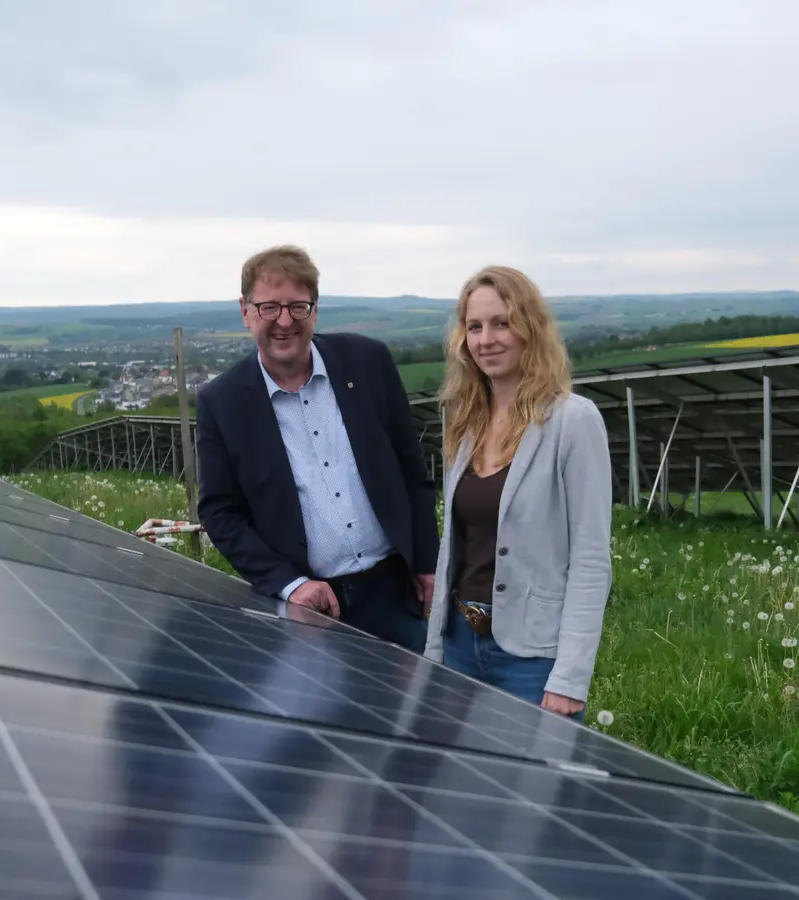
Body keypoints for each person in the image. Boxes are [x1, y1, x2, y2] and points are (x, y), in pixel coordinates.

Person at [194, 245, 439, 652]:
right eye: (269, 307)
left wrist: (427, 563)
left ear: (316, 308)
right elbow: (220, 512)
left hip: (395, 594)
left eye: (298, 307)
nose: (285, 322)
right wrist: (291, 585)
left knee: (414, 713)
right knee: (324, 715)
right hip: (309, 611)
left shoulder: (367, 362)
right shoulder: (222, 403)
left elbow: (411, 470)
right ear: (245, 310)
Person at [421, 265, 614, 720]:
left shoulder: (573, 421)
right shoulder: (464, 422)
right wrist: (435, 648)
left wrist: (569, 679)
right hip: (459, 644)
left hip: (530, 660)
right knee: (457, 785)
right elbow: (454, 546)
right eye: (475, 326)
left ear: (530, 328)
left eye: (502, 322)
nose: (486, 338)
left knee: (531, 789)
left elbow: (590, 560)